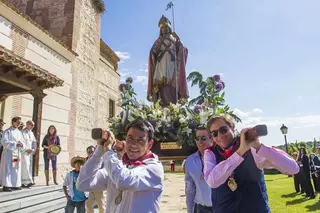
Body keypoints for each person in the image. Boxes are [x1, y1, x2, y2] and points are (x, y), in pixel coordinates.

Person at [204, 115, 299, 213]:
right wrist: (240, 152)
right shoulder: (210, 153)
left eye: (223, 130)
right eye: (214, 134)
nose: (220, 136)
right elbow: (212, 181)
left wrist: (258, 147)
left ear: (232, 128)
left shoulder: (251, 147)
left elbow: (293, 168)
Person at [77, 117, 164, 213]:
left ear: (150, 144)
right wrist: (99, 151)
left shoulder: (154, 167)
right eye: (130, 139)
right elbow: (83, 184)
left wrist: (109, 153)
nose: (133, 144)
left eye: (140, 140)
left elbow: (124, 180)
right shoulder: (120, 165)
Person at [147, 15, 189, 106]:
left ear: (169, 28)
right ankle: (161, 104)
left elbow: (183, 50)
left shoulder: (174, 38)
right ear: (160, 30)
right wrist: (154, 52)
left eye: (166, 27)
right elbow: (152, 52)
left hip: (172, 63)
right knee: (161, 85)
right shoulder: (158, 40)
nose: (164, 29)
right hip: (161, 64)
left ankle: (173, 105)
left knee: (172, 83)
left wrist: (179, 40)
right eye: (162, 28)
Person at [185, 127, 213, 213]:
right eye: (197, 138)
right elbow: (190, 189)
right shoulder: (190, 160)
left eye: (203, 138)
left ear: (212, 139)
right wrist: (190, 210)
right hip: (201, 208)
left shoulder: (219, 157)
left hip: (220, 207)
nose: (200, 142)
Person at [0, 117, 24, 192]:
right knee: (8, 169)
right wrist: (15, 143)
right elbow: (4, 142)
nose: (19, 124)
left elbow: (22, 141)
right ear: (13, 122)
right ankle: (6, 185)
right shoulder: (7, 131)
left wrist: (21, 144)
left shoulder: (19, 132)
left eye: (20, 123)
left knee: (16, 168)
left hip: (16, 153)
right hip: (8, 153)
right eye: (18, 122)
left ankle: (15, 184)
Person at [85, 146, 106, 213]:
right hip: (91, 187)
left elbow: (104, 171)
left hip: (99, 187)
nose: (90, 153)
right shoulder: (87, 161)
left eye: (92, 151)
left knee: (101, 206)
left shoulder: (100, 159)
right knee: (88, 204)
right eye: (89, 152)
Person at [21, 120, 37, 187]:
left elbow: (34, 142)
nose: (32, 126)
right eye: (31, 125)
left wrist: (33, 149)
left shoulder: (31, 133)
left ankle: (27, 182)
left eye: (33, 125)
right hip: (24, 152)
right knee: (25, 167)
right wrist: (26, 149)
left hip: (30, 153)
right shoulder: (22, 132)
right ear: (27, 124)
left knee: (29, 166)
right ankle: (26, 182)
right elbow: (21, 142)